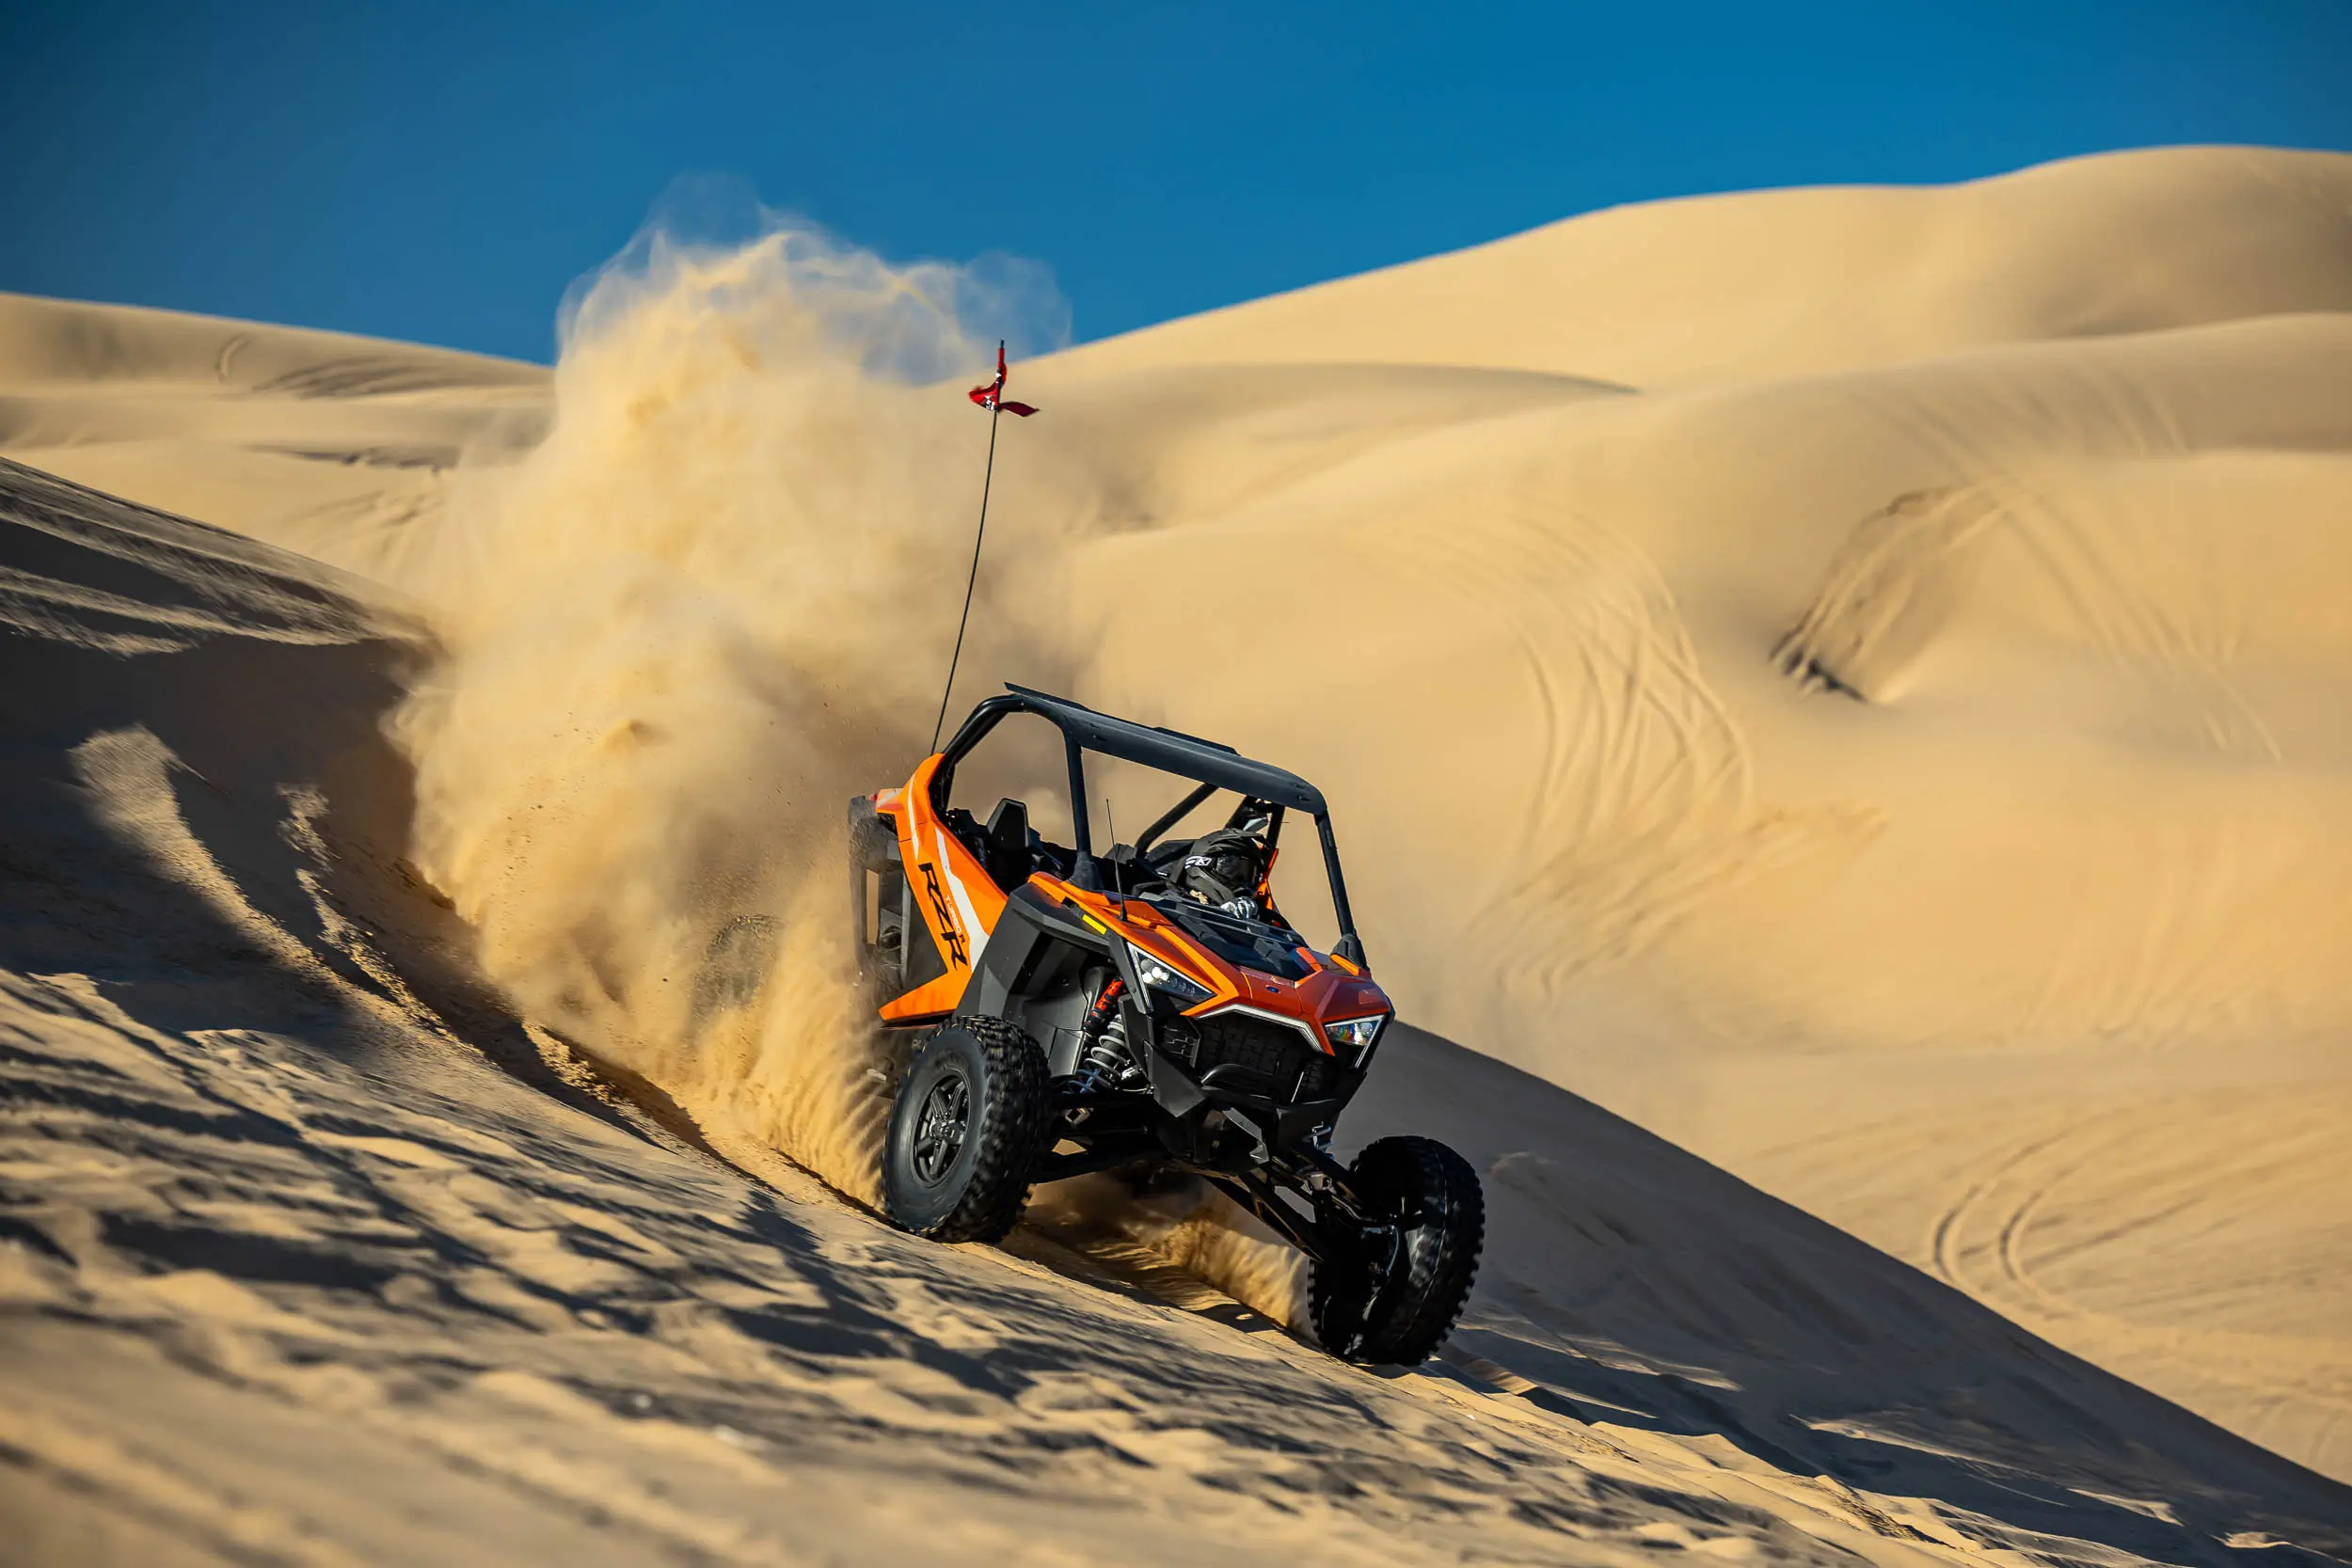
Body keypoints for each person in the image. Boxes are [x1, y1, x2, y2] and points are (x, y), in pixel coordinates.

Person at [1174, 823, 1271, 920]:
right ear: (1203, 863)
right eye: (1232, 870)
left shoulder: (1256, 916)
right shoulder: (1169, 906)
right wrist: (1216, 914)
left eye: (1250, 875)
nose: (1243, 885)